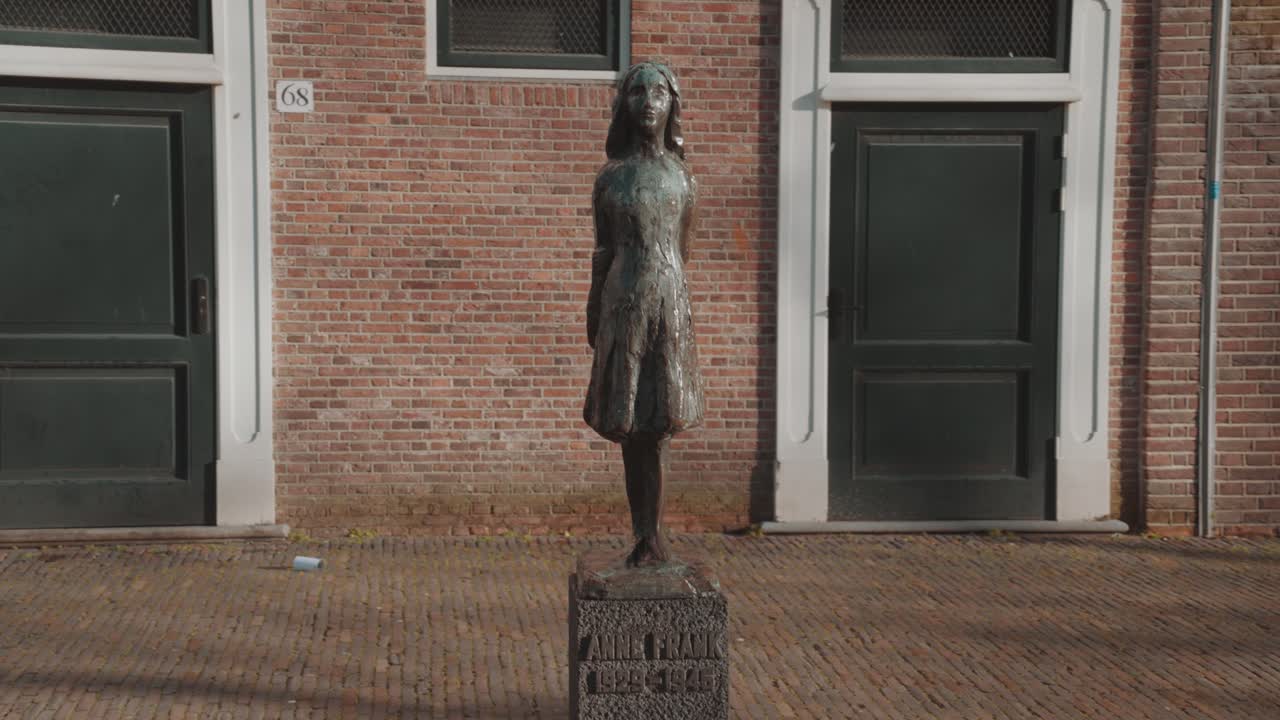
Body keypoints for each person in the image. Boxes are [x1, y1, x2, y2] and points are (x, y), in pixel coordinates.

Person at [584, 62, 704, 568]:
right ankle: (641, 534)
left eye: (659, 92)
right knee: (629, 423)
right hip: (621, 300)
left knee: (659, 424)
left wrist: (675, 306)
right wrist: (594, 311)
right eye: (638, 92)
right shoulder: (610, 179)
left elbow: (683, 250)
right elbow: (603, 251)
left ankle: (654, 538)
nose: (649, 102)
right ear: (624, 105)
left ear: (672, 104)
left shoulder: (681, 178)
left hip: (667, 303)